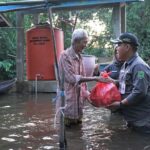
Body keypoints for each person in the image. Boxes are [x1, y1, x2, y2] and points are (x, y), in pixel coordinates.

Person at [57, 28, 111, 127]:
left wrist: (89, 96)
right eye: (84, 42)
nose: (85, 45)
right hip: (68, 104)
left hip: (78, 106)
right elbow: (72, 79)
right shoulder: (65, 56)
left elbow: (82, 83)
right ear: (76, 41)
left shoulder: (80, 57)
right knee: (68, 134)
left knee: (78, 134)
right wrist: (95, 78)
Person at [107, 32, 150, 134]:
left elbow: (139, 91)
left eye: (118, 45)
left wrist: (120, 104)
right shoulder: (126, 64)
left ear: (127, 47)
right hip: (132, 119)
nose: (116, 48)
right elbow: (126, 84)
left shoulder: (139, 66)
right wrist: (113, 82)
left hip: (142, 121)